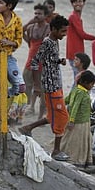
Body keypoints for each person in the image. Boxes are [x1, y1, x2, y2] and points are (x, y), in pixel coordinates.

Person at [19, 15, 70, 161]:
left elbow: (49, 60)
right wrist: (36, 85)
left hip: (56, 83)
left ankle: (27, 128)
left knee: (52, 115)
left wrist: (59, 61)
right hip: (50, 85)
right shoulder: (47, 43)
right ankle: (56, 150)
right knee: (62, 117)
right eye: (62, 31)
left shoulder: (54, 41)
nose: (64, 34)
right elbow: (35, 62)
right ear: (53, 29)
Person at [60, 70, 95, 168]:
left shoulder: (75, 90)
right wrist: (71, 121)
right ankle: (75, 160)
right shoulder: (82, 93)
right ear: (85, 83)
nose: (92, 86)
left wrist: (58, 105)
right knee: (77, 142)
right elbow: (75, 106)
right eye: (91, 84)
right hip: (80, 122)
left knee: (68, 139)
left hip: (80, 121)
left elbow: (67, 100)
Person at [23, 4, 50, 117]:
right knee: (26, 82)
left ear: (45, 15)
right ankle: (29, 106)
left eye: (39, 14)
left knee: (41, 88)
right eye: (35, 13)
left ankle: (42, 112)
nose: (37, 16)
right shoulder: (31, 27)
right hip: (31, 59)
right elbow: (21, 31)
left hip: (42, 61)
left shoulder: (48, 28)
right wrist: (29, 22)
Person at [66, 0, 95, 77]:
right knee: (78, 78)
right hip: (75, 53)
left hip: (75, 52)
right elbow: (82, 35)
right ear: (72, 4)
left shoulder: (77, 17)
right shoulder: (74, 17)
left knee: (78, 77)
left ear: (83, 3)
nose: (78, 4)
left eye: (80, 1)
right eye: (75, 2)